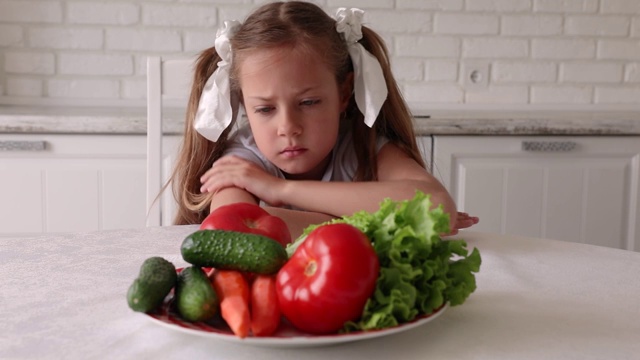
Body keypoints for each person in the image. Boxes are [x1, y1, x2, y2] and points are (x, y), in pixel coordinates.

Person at [168, 1, 478, 239]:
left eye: (308, 102)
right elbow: (237, 231)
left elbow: (438, 209)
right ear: (243, 106)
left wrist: (279, 191)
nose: (288, 127)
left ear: (344, 93)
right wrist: (389, 222)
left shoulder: (362, 146)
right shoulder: (242, 163)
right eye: (265, 109)